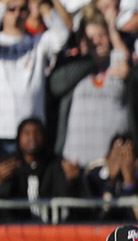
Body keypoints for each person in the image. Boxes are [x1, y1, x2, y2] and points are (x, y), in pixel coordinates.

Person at [46, 11, 131, 172]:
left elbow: (127, 68)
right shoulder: (74, 68)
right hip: (75, 166)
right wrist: (91, 59)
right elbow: (55, 86)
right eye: (90, 38)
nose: (96, 42)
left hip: (112, 167)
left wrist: (113, 31)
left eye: (101, 35)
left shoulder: (116, 67)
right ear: (80, 40)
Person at [0, 0, 70, 150]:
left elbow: (62, 35)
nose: (17, 14)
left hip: (32, 133)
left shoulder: (38, 42)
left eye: (22, 9)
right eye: (12, 9)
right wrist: (3, 5)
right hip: (2, 132)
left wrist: (43, 4)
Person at [0, 118, 73, 222]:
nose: (32, 137)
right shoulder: (8, 165)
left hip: (51, 229)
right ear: (19, 137)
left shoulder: (55, 163)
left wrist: (73, 181)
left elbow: (65, 195)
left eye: (37, 132)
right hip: (14, 230)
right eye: (27, 133)